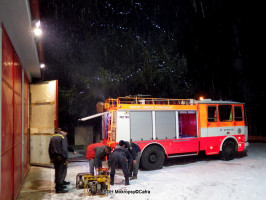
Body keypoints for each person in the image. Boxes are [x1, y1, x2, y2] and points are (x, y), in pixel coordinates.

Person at [49, 127, 74, 193]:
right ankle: (59, 188)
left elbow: (50, 148)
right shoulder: (63, 137)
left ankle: (59, 185)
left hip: (54, 157)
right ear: (65, 132)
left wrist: (51, 157)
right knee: (61, 172)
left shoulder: (53, 137)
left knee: (57, 172)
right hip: (61, 158)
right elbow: (64, 149)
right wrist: (65, 158)